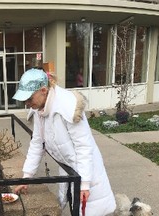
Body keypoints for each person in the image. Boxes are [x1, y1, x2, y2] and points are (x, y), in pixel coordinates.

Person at [12, 68, 116, 216]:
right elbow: (37, 143)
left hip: (86, 169)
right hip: (69, 169)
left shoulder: (68, 107)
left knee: (88, 210)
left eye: (29, 99)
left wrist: (85, 184)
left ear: (43, 90)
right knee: (72, 205)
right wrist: (26, 176)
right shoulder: (39, 109)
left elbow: (84, 147)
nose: (27, 103)